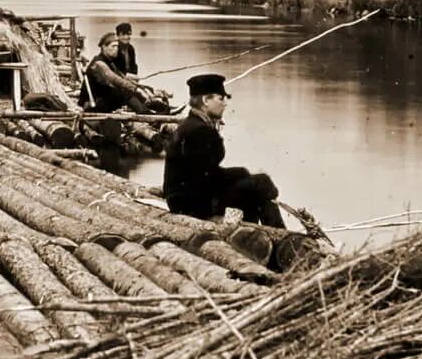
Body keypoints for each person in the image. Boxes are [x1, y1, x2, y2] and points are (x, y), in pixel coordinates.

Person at [161, 73, 284, 226]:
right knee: (261, 182)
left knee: (246, 176)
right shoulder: (200, 130)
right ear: (206, 100)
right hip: (191, 204)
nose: (225, 104)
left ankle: (252, 228)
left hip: (182, 200)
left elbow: (205, 171)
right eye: (220, 98)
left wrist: (241, 175)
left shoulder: (191, 124)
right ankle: (279, 232)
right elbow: (206, 175)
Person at [80, 32, 153, 112]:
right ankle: (148, 115)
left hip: (100, 99)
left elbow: (122, 77)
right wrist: (136, 89)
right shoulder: (99, 63)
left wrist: (142, 88)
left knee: (134, 92)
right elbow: (115, 79)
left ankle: (154, 109)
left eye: (117, 46)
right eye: (113, 46)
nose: (116, 49)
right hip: (91, 104)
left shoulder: (109, 62)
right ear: (104, 47)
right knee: (125, 94)